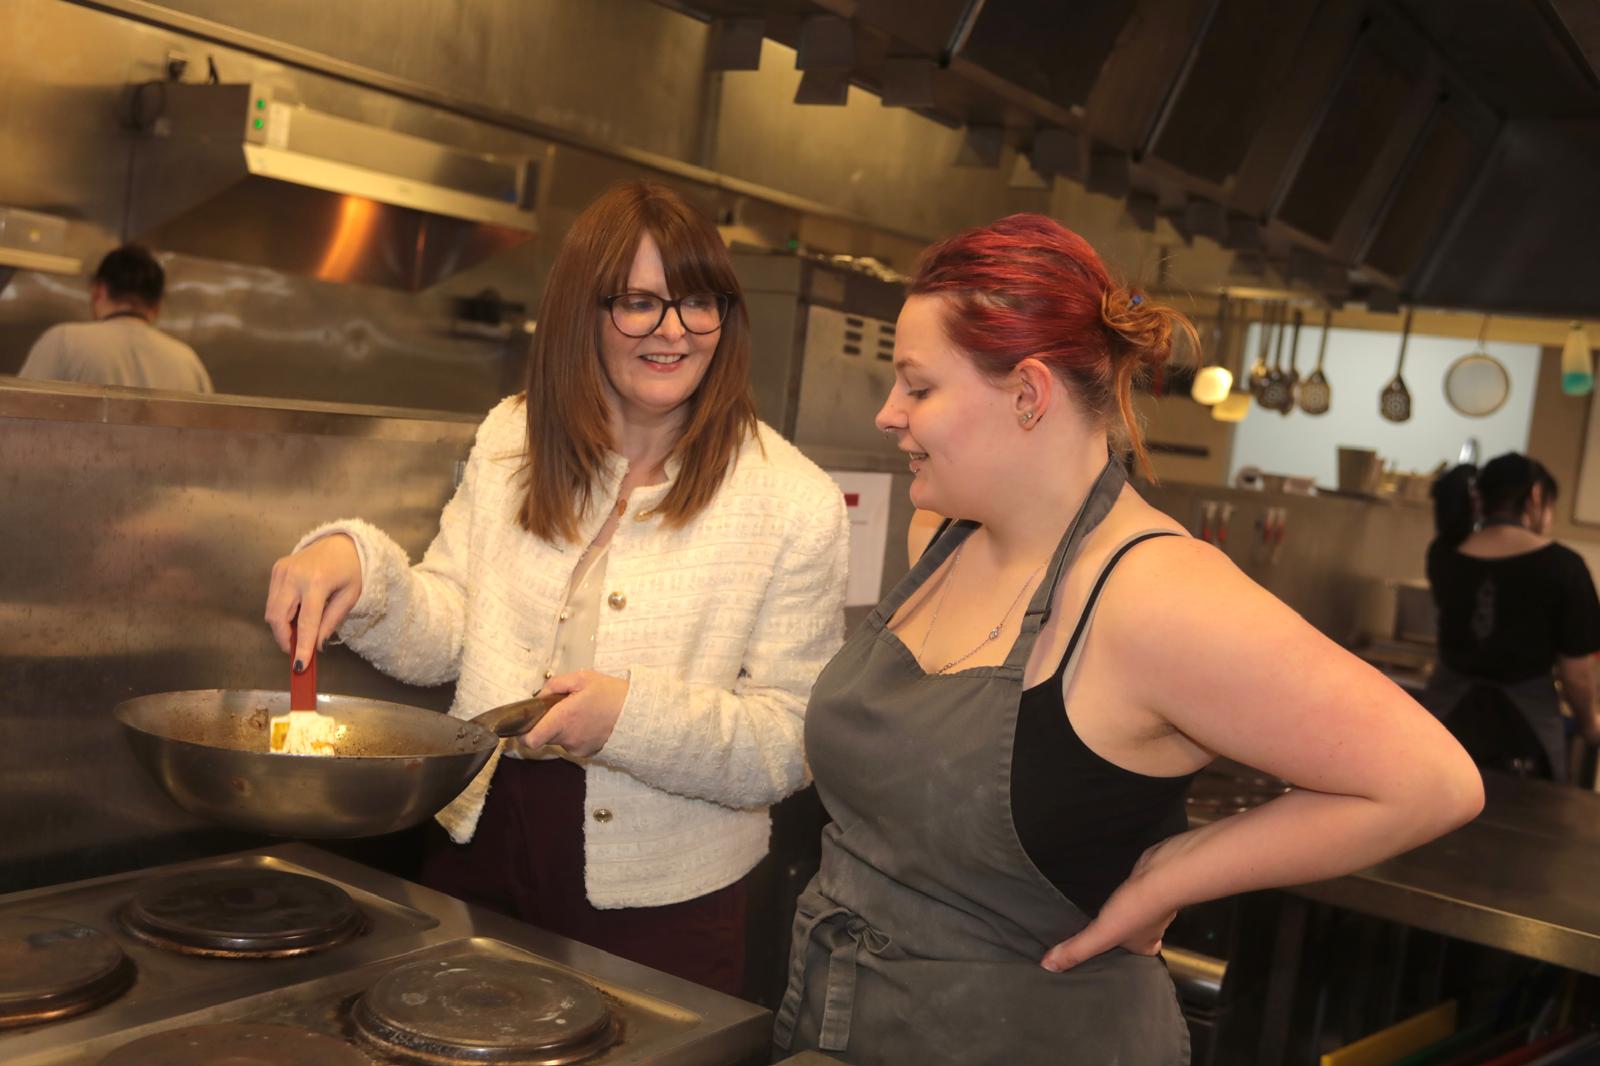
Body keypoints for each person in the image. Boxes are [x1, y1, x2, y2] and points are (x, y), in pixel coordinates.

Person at [774, 214, 1484, 1065]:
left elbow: (1430, 782)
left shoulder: (1153, 595)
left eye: (918, 387)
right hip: (842, 1024)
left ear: (1029, 393)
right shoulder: (941, 534)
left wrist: (1171, 875)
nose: (889, 415)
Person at [264, 181, 850, 996]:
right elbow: (447, 632)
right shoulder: (514, 433)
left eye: (698, 302)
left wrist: (627, 719)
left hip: (663, 893)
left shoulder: (793, 500)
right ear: (583, 309)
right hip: (480, 834)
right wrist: (359, 569)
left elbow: (791, 743)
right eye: (639, 303)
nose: (673, 331)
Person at [1422, 454, 1600, 782]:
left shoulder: (1443, 554)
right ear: (1535, 496)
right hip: (1524, 729)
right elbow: (1576, 674)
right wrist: (1590, 724)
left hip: (1443, 722)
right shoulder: (1564, 567)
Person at [17, 244, 213, 392]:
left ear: (98, 291)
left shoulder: (63, 340)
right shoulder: (187, 361)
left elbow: (15, 413)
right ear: (157, 304)